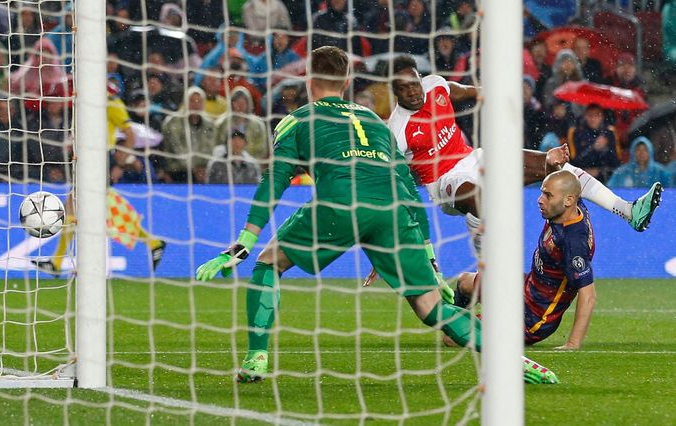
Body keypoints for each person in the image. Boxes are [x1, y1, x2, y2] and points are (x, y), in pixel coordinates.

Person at [195, 46, 558, 385]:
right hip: (391, 214)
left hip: (339, 204)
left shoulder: (297, 120)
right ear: (347, 82)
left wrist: (243, 242)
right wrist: (425, 254)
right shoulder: (373, 120)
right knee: (431, 306)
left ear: (309, 79)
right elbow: (405, 184)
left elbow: (275, 181)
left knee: (267, 263)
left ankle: (256, 357)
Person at [385, 55, 662, 260]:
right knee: (481, 199)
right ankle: (487, 259)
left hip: (474, 158)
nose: (412, 90)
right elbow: (392, 182)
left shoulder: (436, 86)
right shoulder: (397, 131)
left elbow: (470, 93)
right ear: (394, 91)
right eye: (403, 87)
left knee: (558, 167)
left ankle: (629, 211)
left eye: (414, 82)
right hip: (445, 181)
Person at [452, 171, 598, 349]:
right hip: (525, 287)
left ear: (568, 200)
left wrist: (572, 344)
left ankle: (473, 322)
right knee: (464, 282)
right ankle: (465, 317)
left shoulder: (573, 242)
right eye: (542, 192)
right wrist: (554, 161)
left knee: (451, 337)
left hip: (531, 319)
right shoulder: (572, 205)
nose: (540, 199)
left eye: (548, 195)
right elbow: (568, 176)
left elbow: (588, 296)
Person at [33, 84, 166, 275]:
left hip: (101, 158)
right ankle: (57, 262)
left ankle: (152, 242)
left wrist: (119, 163)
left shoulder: (111, 102)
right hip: (91, 158)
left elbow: (129, 134)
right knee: (84, 205)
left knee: (90, 206)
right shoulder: (91, 100)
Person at [567, 104, 621, 183]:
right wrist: (594, 149)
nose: (593, 119)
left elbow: (616, 161)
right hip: (581, 178)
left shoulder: (610, 132)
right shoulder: (576, 132)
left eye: (597, 115)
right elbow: (574, 160)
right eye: (590, 115)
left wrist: (605, 149)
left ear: (602, 117)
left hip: (605, 178)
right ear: (585, 116)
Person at [607, 136, 672, 188]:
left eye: (645, 150)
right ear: (633, 152)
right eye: (638, 150)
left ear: (650, 152)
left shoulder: (660, 172)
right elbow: (611, 189)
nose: (641, 153)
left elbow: (671, 191)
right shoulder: (621, 172)